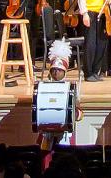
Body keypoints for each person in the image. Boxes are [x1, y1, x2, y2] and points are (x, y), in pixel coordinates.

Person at [38, 38, 82, 166]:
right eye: (54, 70)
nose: (56, 72)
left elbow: (79, 111)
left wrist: (75, 114)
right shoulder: (42, 87)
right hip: (47, 135)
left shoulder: (71, 88)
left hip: (65, 135)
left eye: (59, 70)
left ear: (65, 71)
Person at [76, 0, 110, 81]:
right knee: (90, 44)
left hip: (102, 12)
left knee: (101, 43)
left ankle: (96, 71)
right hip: (89, 11)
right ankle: (88, 72)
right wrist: (84, 13)